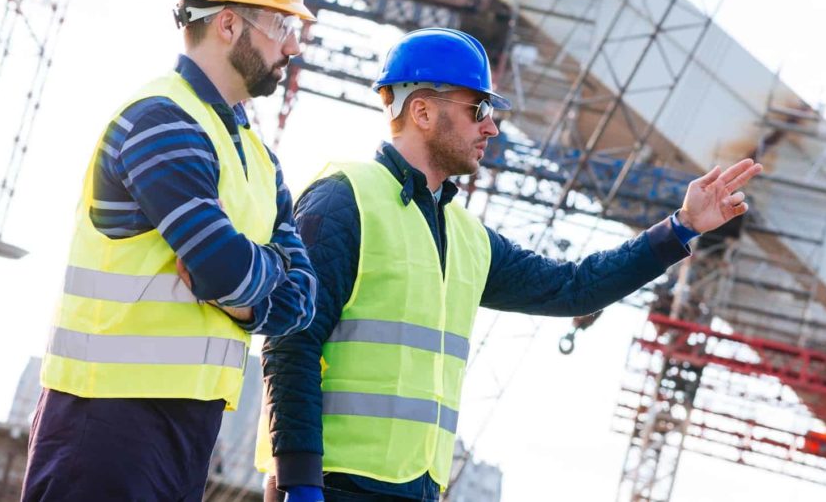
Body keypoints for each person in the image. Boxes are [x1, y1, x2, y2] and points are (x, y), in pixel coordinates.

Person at [259, 28, 762, 501]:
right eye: (478, 108)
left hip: (419, 486)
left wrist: (681, 227)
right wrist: (300, 484)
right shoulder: (344, 201)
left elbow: (574, 287)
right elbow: (290, 344)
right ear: (422, 111)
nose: (492, 126)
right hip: (334, 484)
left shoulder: (465, 237)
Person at [21, 0, 321, 501]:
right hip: (104, 423)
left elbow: (299, 302)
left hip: (186, 431)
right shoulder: (162, 122)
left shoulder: (257, 157)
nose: (293, 47)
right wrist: (245, 277)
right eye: (283, 26)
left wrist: (237, 283)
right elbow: (223, 269)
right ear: (229, 23)